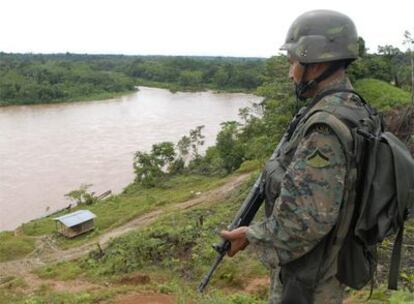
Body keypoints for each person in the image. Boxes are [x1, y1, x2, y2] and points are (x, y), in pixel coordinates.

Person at [220, 10, 367, 304]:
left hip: (310, 284)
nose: (290, 73)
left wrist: (252, 235)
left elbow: (305, 221)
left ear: (316, 61)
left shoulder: (325, 128)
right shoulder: (350, 107)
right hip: (325, 267)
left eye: (292, 63)